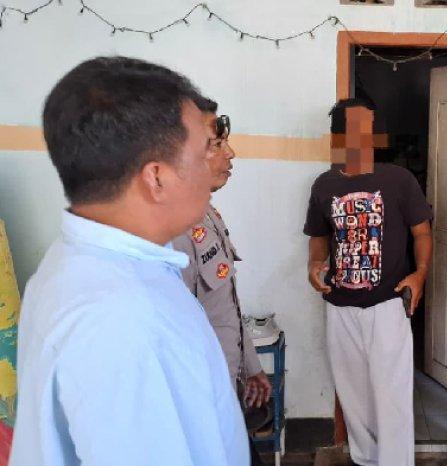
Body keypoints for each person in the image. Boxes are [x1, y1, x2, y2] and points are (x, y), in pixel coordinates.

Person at [10, 57, 248, 465]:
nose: (216, 159)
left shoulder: (87, 265)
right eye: (204, 149)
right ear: (156, 178)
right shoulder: (122, 319)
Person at [303, 98, 433, 466]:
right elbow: (318, 236)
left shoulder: (398, 179)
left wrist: (420, 274)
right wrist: (314, 264)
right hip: (340, 305)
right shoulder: (324, 185)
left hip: (388, 303)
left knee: (391, 396)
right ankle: (365, 459)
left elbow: (422, 233)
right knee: (353, 394)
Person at [171, 98, 272, 465]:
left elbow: (225, 303)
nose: (231, 153)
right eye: (216, 144)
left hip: (227, 391)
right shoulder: (172, 235)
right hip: (202, 406)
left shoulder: (207, 214)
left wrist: (251, 367)